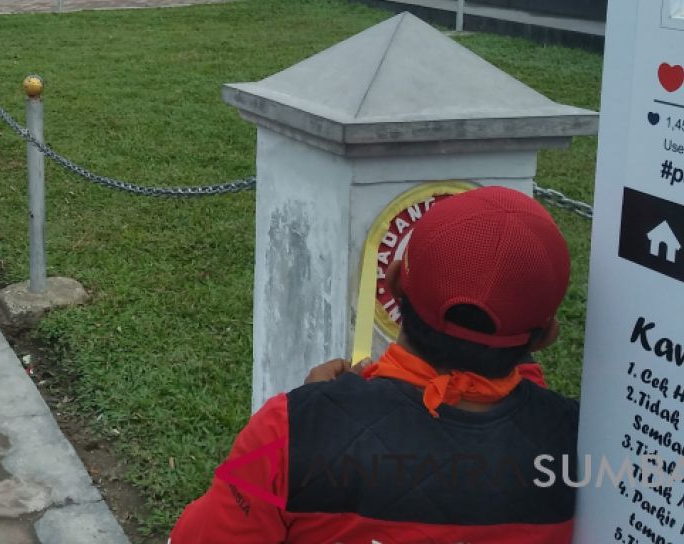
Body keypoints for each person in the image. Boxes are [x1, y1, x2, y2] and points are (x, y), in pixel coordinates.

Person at [170, 186, 578, 542]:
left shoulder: (286, 433)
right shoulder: (587, 445)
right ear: (545, 336)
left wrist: (318, 416)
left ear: (397, 283)